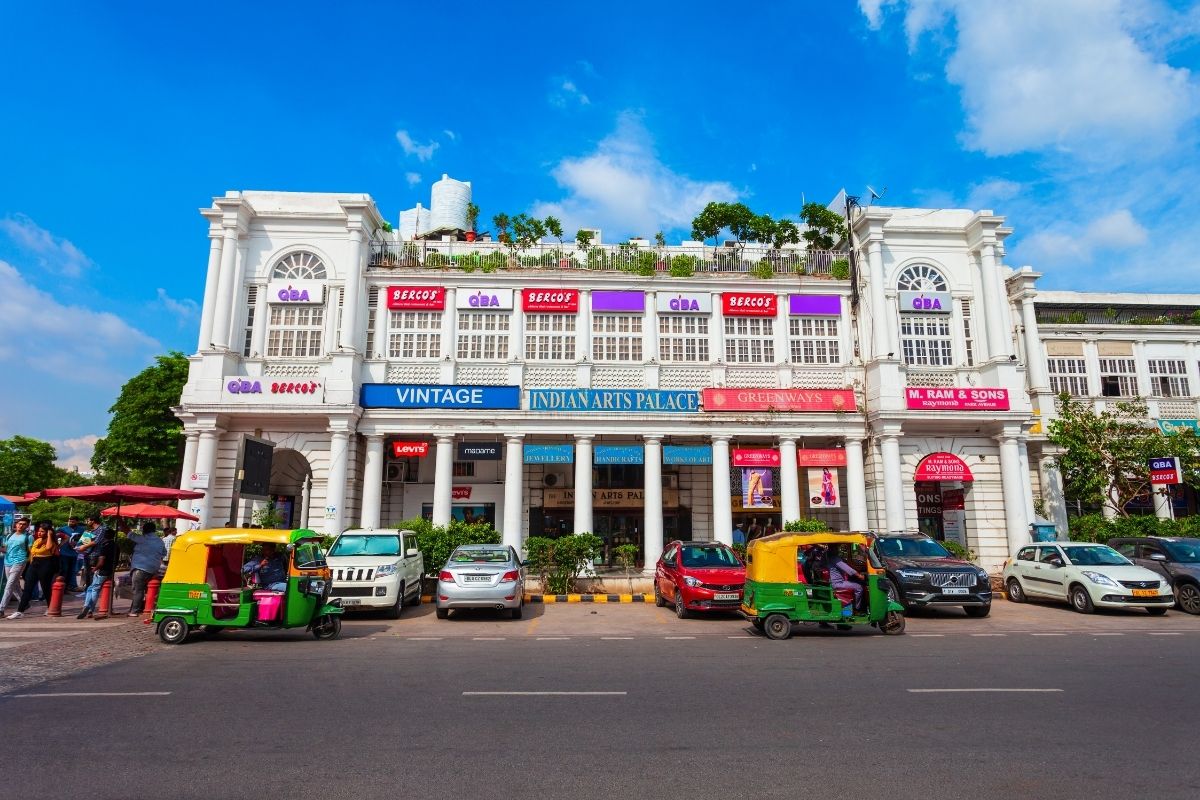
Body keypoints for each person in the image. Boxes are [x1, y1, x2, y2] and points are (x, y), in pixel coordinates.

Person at [12, 522, 59, 619]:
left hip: (46, 564)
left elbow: (48, 548)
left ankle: (50, 608)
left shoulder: (51, 542)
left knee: (45, 588)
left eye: (42, 531)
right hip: (34, 564)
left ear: (48, 532)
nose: (39, 533)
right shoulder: (37, 540)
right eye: (39, 531)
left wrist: (50, 535)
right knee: (27, 588)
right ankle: (20, 611)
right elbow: (33, 551)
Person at [126, 522, 166, 616]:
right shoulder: (160, 541)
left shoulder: (142, 539)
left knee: (138, 590)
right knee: (147, 590)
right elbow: (164, 553)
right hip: (153, 569)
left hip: (140, 568)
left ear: (144, 530)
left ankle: (134, 611)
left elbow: (128, 533)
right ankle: (145, 608)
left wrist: (120, 521)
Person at [78, 525, 117, 619]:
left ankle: (89, 607)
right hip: (110, 570)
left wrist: (95, 568)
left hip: (102, 571)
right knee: (92, 588)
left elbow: (101, 560)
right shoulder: (116, 545)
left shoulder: (104, 546)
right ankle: (88, 607)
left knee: (93, 588)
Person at [1, 519, 33, 617]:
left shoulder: (28, 537)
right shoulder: (9, 535)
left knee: (9, 585)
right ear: (16, 524)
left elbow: (31, 551)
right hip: (7, 561)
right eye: (20, 524)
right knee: (14, 585)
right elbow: (5, 549)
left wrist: (31, 562)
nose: (21, 526)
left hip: (20, 562)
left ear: (27, 526)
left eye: (24, 524)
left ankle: (1, 609)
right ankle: (24, 602)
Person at [827, 544, 865, 612]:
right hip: (838, 583)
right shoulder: (835, 559)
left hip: (835, 582)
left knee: (854, 582)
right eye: (837, 548)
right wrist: (860, 576)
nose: (838, 550)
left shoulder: (829, 557)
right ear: (833, 549)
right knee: (859, 587)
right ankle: (857, 608)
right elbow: (848, 569)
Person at [56, 516, 84, 592]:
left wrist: (78, 545)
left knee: (73, 570)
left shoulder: (81, 529)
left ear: (77, 522)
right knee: (64, 570)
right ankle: (63, 586)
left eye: (73, 521)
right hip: (64, 553)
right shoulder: (63, 529)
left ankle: (71, 586)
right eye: (70, 521)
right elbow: (56, 536)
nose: (71, 523)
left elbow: (85, 540)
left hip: (75, 553)